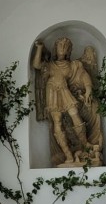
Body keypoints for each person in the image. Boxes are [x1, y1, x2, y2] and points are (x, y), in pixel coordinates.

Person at [32, 36, 101, 166]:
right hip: (52, 92)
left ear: (69, 50)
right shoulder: (50, 65)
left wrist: (88, 90)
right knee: (57, 121)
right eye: (60, 46)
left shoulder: (73, 65)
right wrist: (40, 48)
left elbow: (84, 76)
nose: (62, 49)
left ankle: (85, 143)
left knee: (75, 113)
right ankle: (68, 155)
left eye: (65, 47)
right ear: (55, 48)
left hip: (65, 91)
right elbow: (36, 65)